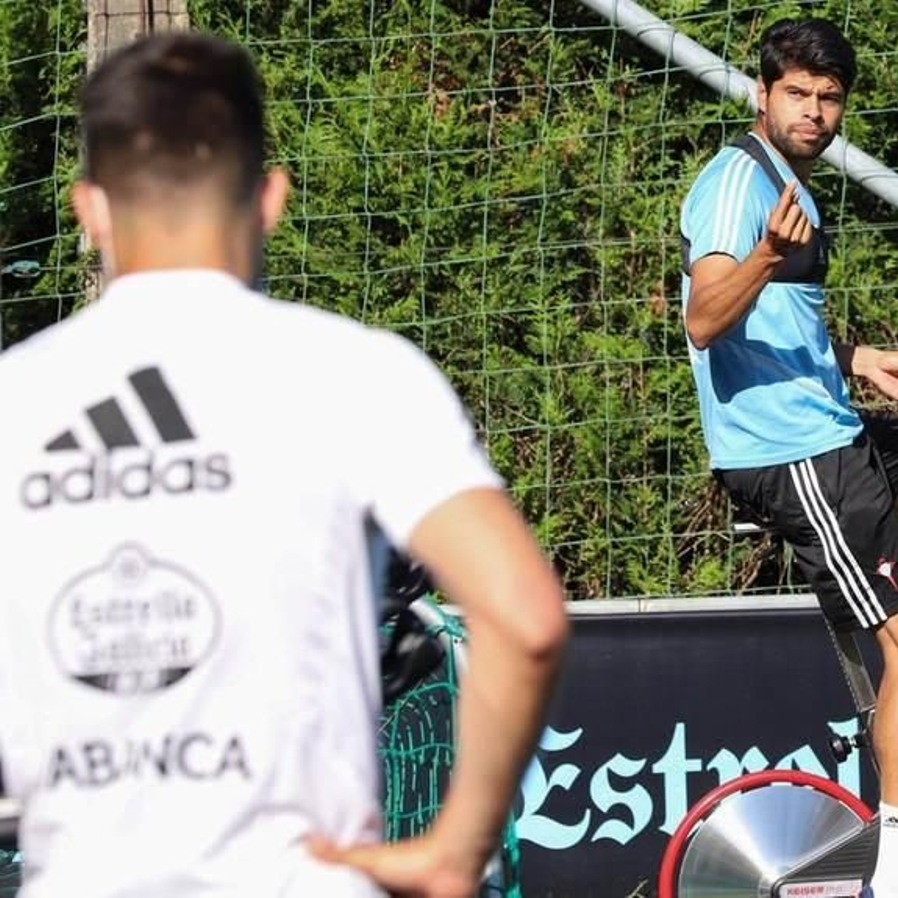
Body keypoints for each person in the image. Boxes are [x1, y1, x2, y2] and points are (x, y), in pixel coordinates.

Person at [0, 33, 568, 898]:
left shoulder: (18, 398)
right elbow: (524, 618)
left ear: (88, 209)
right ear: (270, 198)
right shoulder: (356, 372)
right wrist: (454, 850)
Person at [678, 18, 898, 898]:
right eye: (798, 93)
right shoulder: (736, 184)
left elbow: (775, 326)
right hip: (793, 454)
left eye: (830, 98)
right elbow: (704, 319)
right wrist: (763, 252)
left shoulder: (795, 183)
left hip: (832, 423)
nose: (815, 111)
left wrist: (861, 360)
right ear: (763, 96)